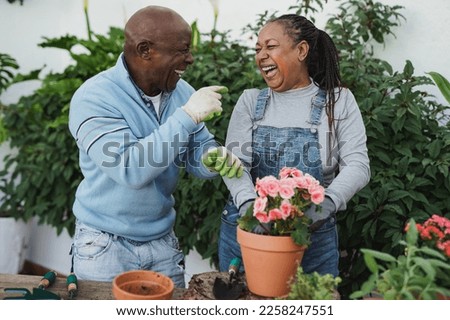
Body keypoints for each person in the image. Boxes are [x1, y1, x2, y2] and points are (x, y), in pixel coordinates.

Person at [68, 5, 241, 288]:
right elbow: (130, 169)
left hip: (162, 243)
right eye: (181, 50)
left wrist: (211, 157)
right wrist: (187, 116)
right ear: (145, 50)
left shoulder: (180, 91)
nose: (190, 58)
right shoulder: (94, 97)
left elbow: (196, 147)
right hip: (105, 247)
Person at [217, 14, 370, 277]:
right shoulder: (250, 102)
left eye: (270, 46)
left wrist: (324, 205)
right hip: (248, 233)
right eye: (258, 49)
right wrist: (249, 210)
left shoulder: (338, 101)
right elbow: (235, 164)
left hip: (311, 237)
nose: (261, 55)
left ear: (301, 50)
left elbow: (358, 165)